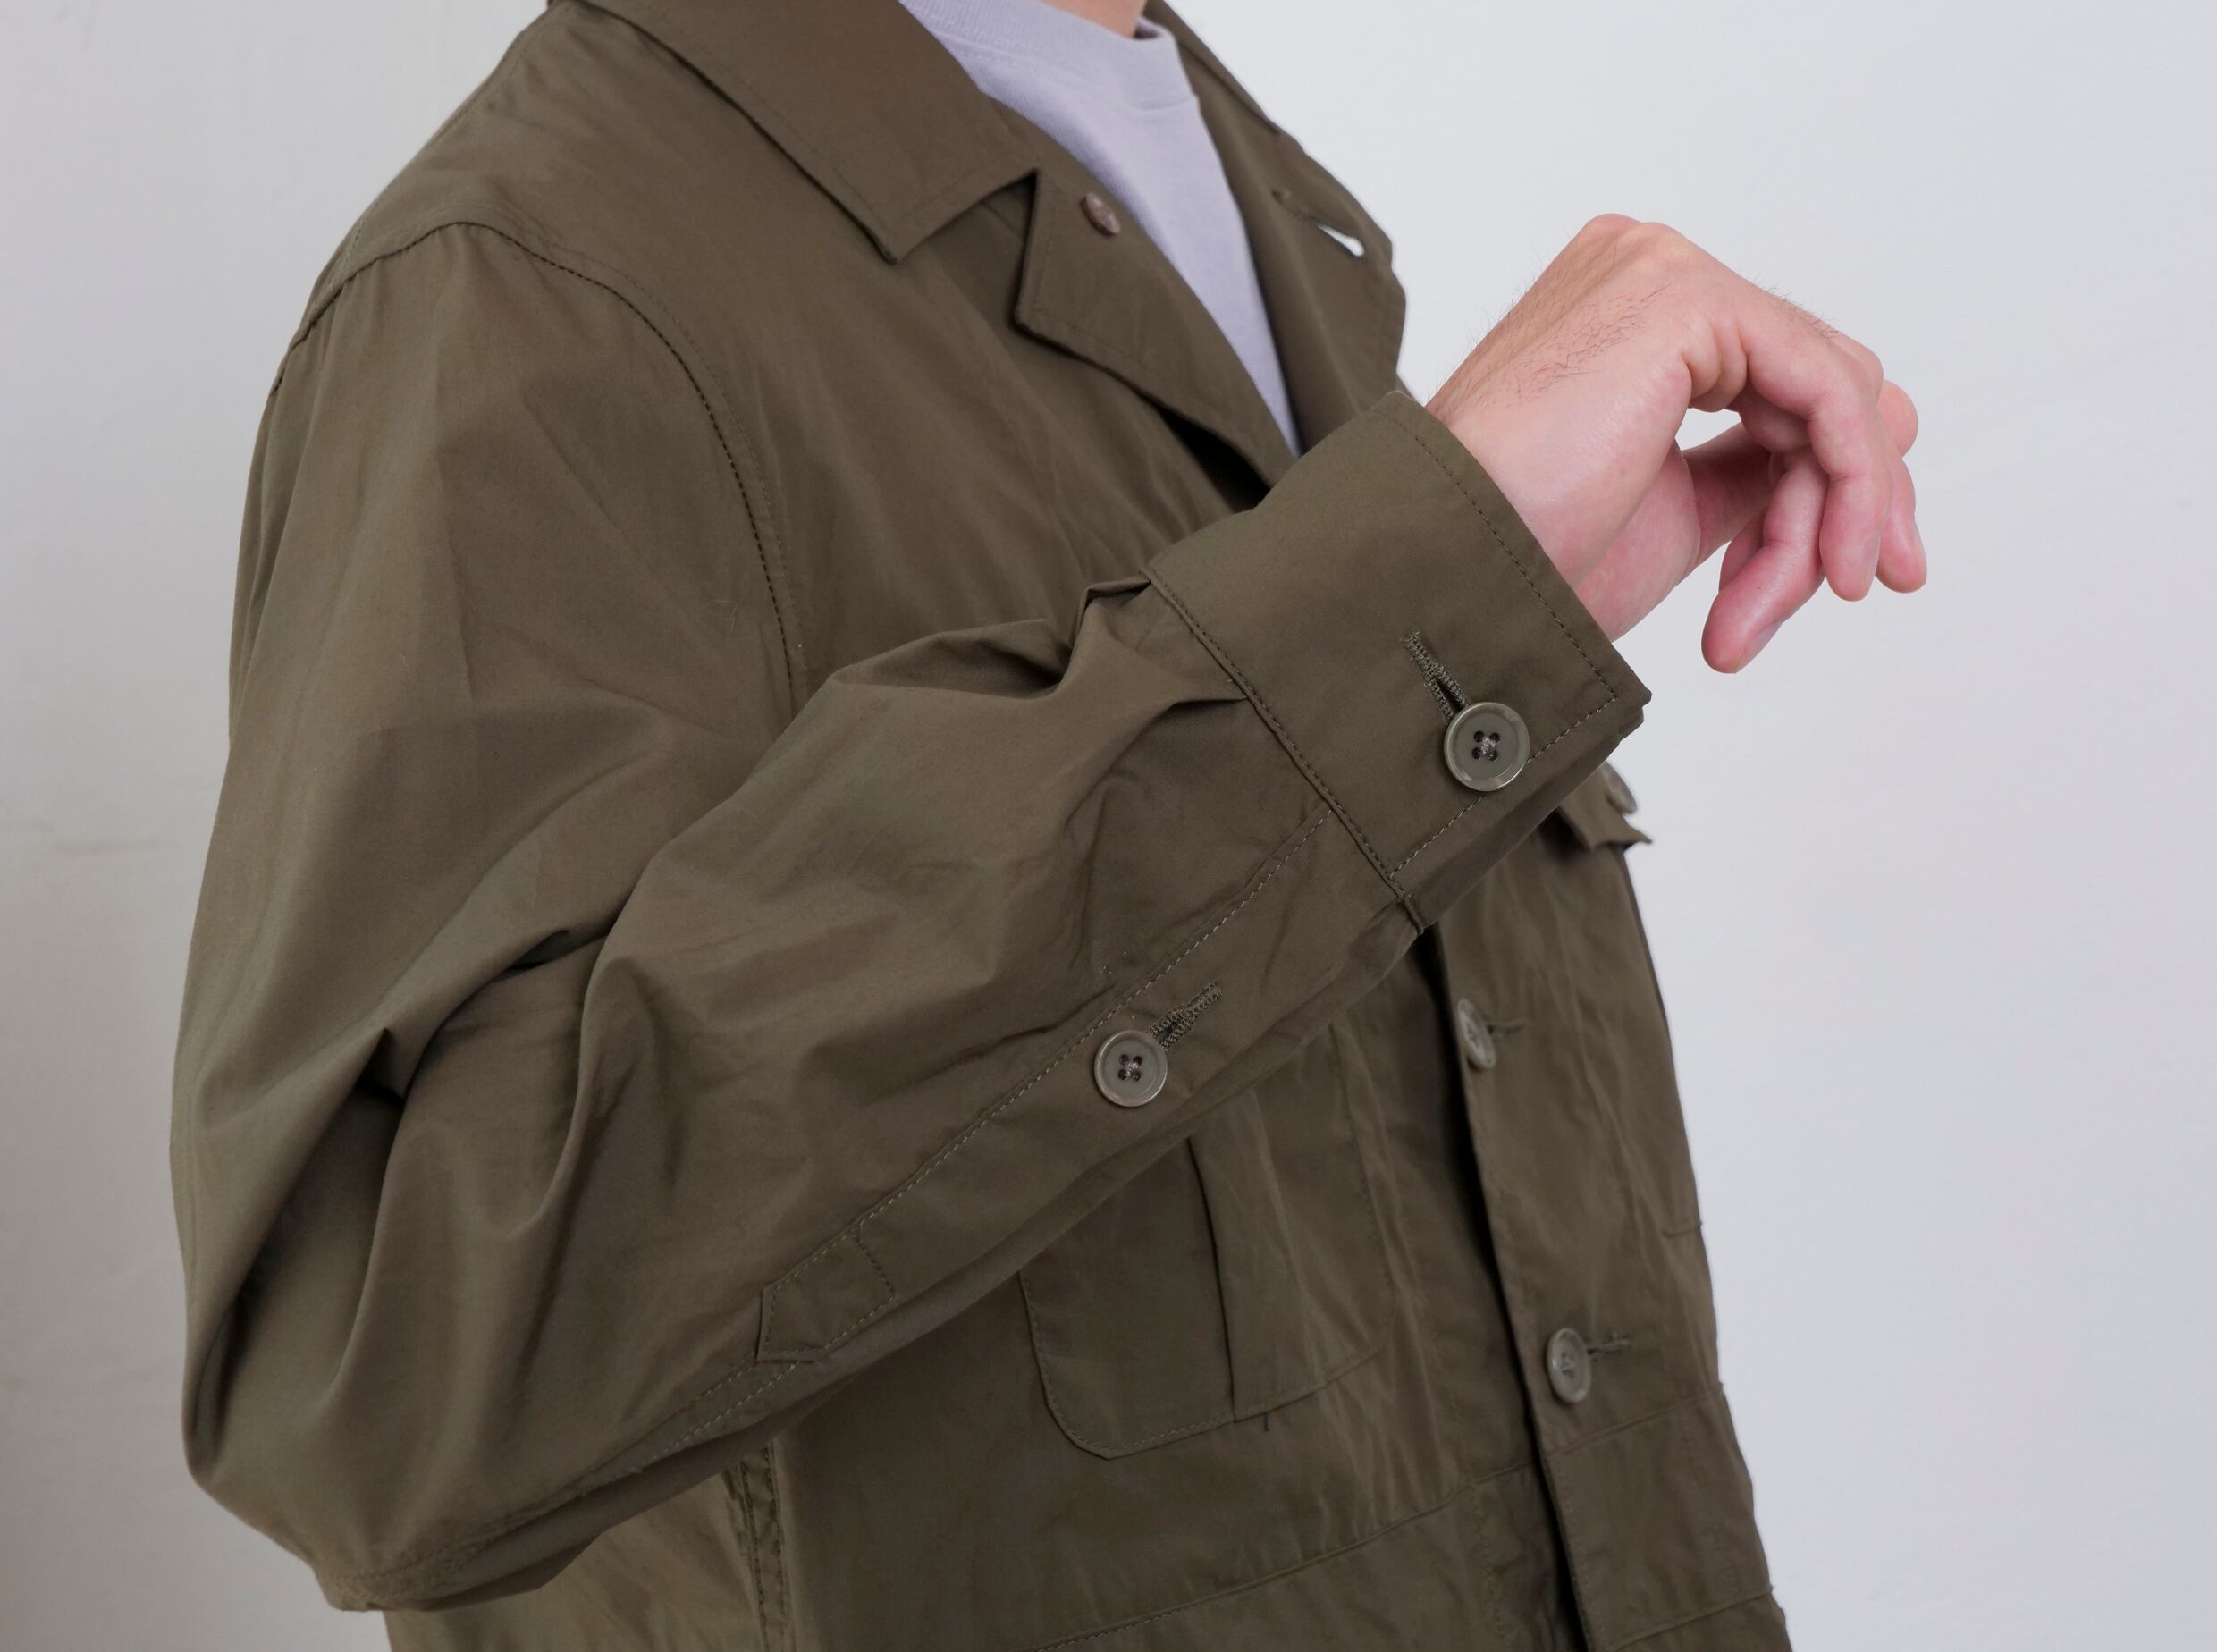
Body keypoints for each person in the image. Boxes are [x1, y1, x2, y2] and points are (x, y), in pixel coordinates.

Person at [170, 0, 1924, 1646]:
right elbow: (385, 1383)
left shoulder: (1253, 206)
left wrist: (1407, 632)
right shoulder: (535, 283)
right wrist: (1372, 620)